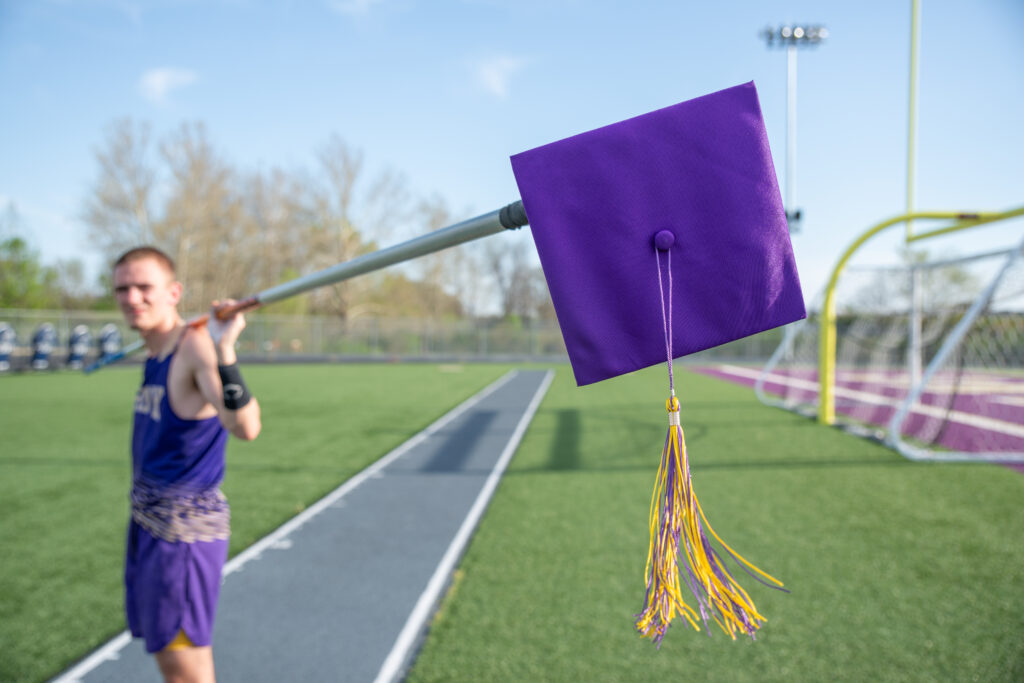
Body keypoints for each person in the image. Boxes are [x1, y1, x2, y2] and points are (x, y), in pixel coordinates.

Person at [113, 246, 261, 683]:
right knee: (169, 660)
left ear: (173, 292)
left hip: (183, 534)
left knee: (187, 674)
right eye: (123, 288)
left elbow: (246, 424)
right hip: (149, 524)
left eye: (144, 287)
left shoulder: (194, 347)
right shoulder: (156, 352)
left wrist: (225, 350)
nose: (133, 297)